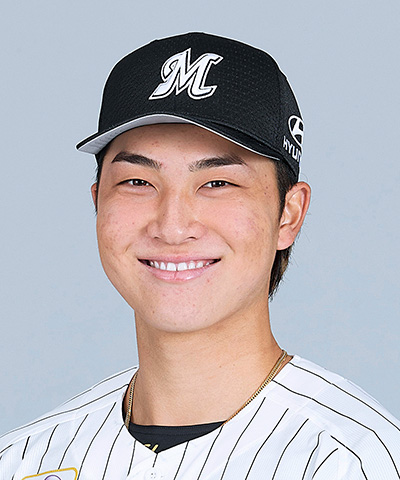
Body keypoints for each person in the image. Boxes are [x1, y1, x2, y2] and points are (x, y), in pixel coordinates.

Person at [1, 32, 399, 480]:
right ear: (97, 202)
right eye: (137, 182)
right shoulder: (24, 460)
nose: (172, 227)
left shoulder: (351, 461)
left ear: (289, 214)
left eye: (217, 183)